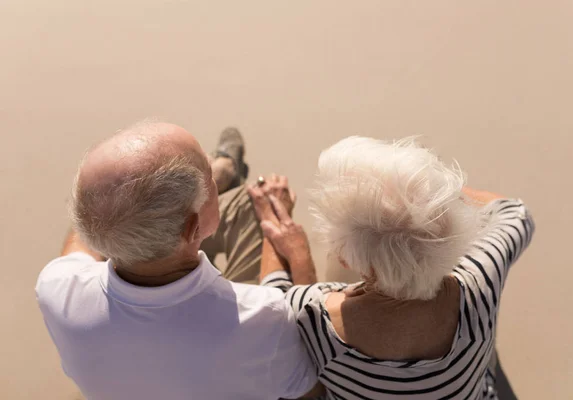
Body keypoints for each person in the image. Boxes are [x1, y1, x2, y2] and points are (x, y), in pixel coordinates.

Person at [35, 120, 322, 400]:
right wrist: (285, 239)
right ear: (193, 228)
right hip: (232, 340)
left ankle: (220, 175)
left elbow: (79, 243)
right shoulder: (266, 317)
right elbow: (312, 391)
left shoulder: (58, 290)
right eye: (207, 173)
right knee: (251, 203)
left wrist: (113, 200)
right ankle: (228, 178)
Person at [251, 136, 535, 399]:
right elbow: (515, 214)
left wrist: (281, 226)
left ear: (345, 258)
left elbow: (273, 302)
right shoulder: (481, 283)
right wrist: (433, 194)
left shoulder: (315, 315)